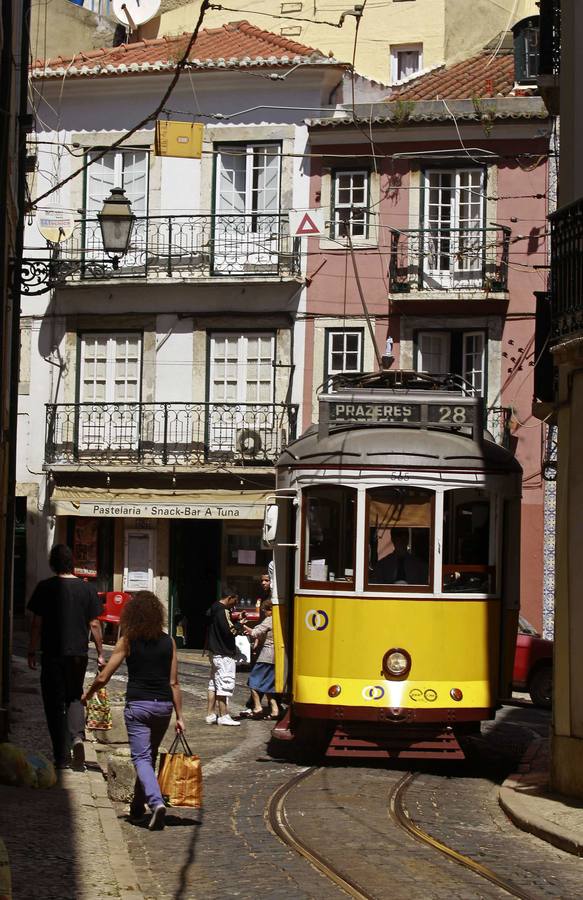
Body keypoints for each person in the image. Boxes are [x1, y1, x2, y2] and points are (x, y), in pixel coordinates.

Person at [82, 591, 184, 831]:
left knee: (141, 758)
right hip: (163, 708)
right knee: (148, 758)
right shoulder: (169, 641)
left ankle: (156, 802)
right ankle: (138, 808)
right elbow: (174, 683)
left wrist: (87, 694)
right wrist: (180, 717)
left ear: (132, 615)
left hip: (138, 706)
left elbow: (105, 675)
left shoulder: (127, 640)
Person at [27, 544, 105, 771]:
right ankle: (78, 737)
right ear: (72, 562)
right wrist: (100, 653)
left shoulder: (45, 587)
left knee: (53, 703)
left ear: (53, 563)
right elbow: (94, 624)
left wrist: (32, 650)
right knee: (74, 695)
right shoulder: (87, 589)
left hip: (52, 654)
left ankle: (61, 757)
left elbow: (36, 624)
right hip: (78, 654)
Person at [205, 585, 243, 727]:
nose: (236, 603)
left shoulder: (213, 607)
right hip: (223, 652)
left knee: (213, 684)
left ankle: (210, 714)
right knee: (224, 683)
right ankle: (224, 715)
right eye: (235, 600)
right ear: (229, 598)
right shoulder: (223, 611)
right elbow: (230, 631)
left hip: (214, 651)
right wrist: (240, 624)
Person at [242, 599, 279, 719]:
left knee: (253, 681)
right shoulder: (280, 619)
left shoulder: (270, 619)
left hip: (266, 656)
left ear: (270, 610)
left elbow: (255, 632)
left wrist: (242, 625)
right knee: (268, 685)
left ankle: (257, 707)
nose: (264, 614)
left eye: (265, 611)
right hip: (276, 656)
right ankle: (275, 710)